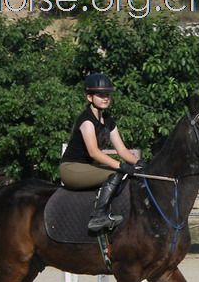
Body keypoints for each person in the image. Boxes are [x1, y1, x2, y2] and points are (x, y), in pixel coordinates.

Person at [60, 72, 142, 232]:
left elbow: (123, 150)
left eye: (108, 94)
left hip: (90, 168)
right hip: (72, 168)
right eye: (100, 94)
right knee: (115, 174)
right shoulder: (86, 120)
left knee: (129, 174)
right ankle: (98, 217)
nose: (106, 98)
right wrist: (121, 166)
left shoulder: (109, 120)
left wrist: (139, 163)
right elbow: (94, 153)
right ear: (89, 97)